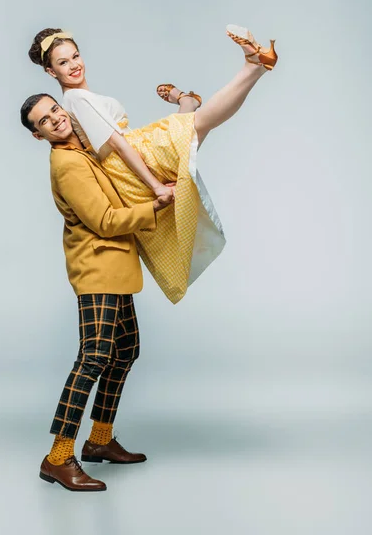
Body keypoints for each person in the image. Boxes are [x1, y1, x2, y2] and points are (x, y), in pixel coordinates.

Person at [28, 24, 277, 303]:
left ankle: (203, 94)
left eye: (75, 56)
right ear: (52, 72)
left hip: (131, 152)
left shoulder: (79, 96)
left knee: (194, 131)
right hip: (128, 159)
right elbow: (118, 144)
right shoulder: (75, 98)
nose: (74, 65)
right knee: (198, 125)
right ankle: (242, 72)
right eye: (63, 62)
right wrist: (156, 186)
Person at [20, 93, 173, 492]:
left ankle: (100, 441)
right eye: (44, 121)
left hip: (115, 265)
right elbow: (104, 221)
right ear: (38, 136)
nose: (54, 119)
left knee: (124, 351)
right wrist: (155, 206)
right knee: (94, 358)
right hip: (98, 267)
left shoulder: (81, 145)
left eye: (55, 109)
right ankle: (58, 457)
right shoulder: (67, 163)